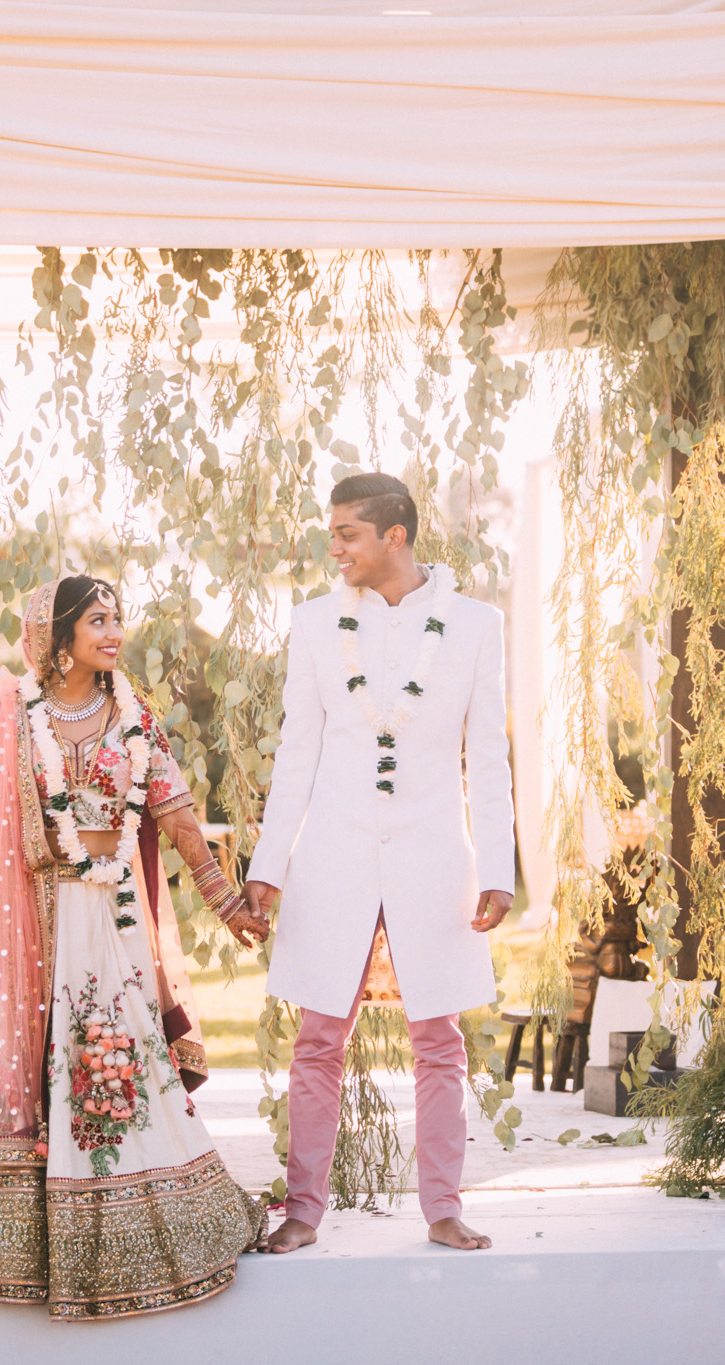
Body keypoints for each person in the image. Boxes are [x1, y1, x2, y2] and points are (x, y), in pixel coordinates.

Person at [0, 575, 271, 1319]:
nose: (115, 629)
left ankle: (127, 1215)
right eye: (98, 619)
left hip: (104, 922)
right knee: (1, 1059)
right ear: (57, 639)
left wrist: (225, 900)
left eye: (118, 616)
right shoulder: (7, 715)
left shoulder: (135, 718)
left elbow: (180, 814)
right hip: (26, 911)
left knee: (107, 1063)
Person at [242, 472, 516, 1253]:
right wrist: (270, 866)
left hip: (435, 847)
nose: (334, 548)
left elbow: (489, 755)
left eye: (347, 534)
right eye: (332, 533)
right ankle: (302, 1209)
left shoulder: (473, 625)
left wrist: (497, 865)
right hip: (334, 847)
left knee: (440, 1037)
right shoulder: (314, 623)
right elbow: (296, 753)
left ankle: (443, 1208)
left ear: (394, 535)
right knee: (319, 1036)